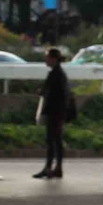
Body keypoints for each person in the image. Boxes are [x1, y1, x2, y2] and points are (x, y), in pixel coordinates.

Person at [32, 45, 76, 178]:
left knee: (52, 140)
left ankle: (49, 167)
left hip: (54, 112)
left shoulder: (55, 74)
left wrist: (41, 92)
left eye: (47, 57)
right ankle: (56, 168)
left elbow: (50, 92)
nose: (46, 60)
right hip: (59, 112)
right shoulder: (60, 74)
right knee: (56, 140)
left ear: (53, 59)